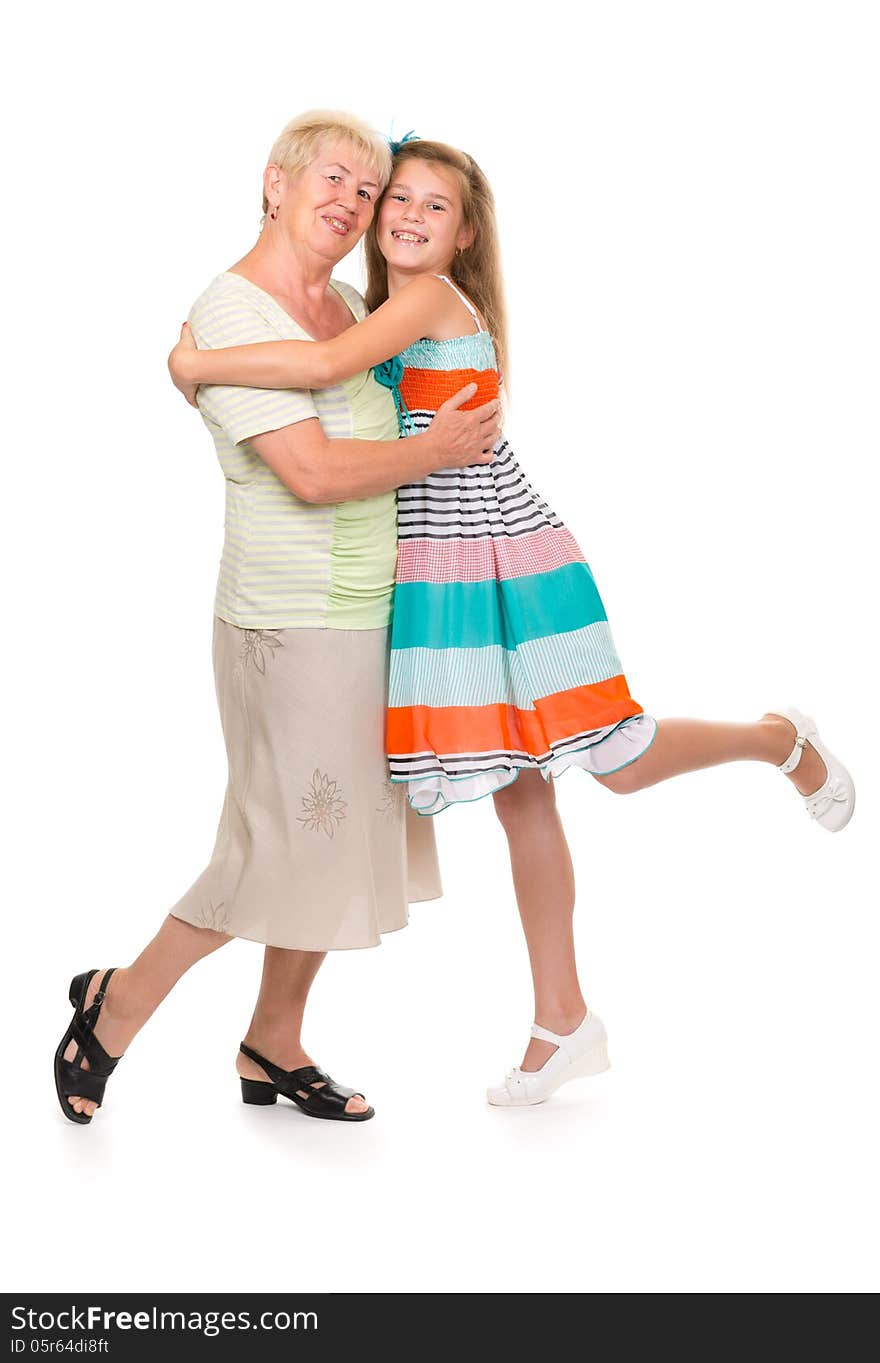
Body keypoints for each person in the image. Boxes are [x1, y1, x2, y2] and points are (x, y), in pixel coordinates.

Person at [168, 135, 855, 1109]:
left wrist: (193, 357)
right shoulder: (383, 307)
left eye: (430, 206)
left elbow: (320, 362)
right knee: (525, 793)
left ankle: (776, 739)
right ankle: (561, 1018)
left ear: (465, 231)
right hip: (444, 579)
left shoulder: (425, 302)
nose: (403, 215)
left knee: (615, 759)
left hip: (505, 564)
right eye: (392, 198)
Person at [53, 112, 501, 1127]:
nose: (352, 201)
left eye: (367, 188)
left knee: (328, 840)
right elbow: (310, 473)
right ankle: (111, 1008)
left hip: (369, 615)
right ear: (275, 183)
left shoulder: (346, 303)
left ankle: (273, 1041)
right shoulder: (230, 311)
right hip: (286, 622)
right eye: (334, 178)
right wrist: (433, 453)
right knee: (269, 845)